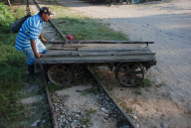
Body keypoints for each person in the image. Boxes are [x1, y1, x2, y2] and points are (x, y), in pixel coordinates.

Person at [15, 7, 52, 76]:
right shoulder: (35, 23)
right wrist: (36, 53)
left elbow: (39, 29)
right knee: (32, 57)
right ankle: (30, 73)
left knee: (44, 50)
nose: (49, 17)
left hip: (32, 38)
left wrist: (42, 37)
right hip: (25, 42)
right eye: (49, 15)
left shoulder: (39, 18)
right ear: (43, 14)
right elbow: (32, 41)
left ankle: (39, 65)